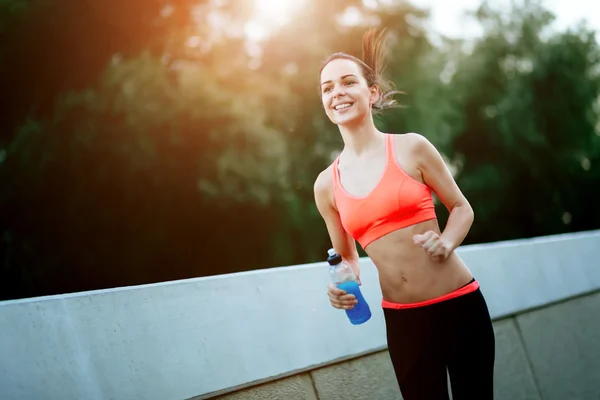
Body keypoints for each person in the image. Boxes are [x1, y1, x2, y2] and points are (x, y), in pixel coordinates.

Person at [313, 28, 496, 400]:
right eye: (327, 88)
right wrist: (340, 285)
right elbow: (347, 254)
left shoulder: (412, 148)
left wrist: (446, 241)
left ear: (372, 92)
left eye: (348, 82)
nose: (337, 93)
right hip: (403, 320)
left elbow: (462, 208)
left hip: (460, 305)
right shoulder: (325, 185)